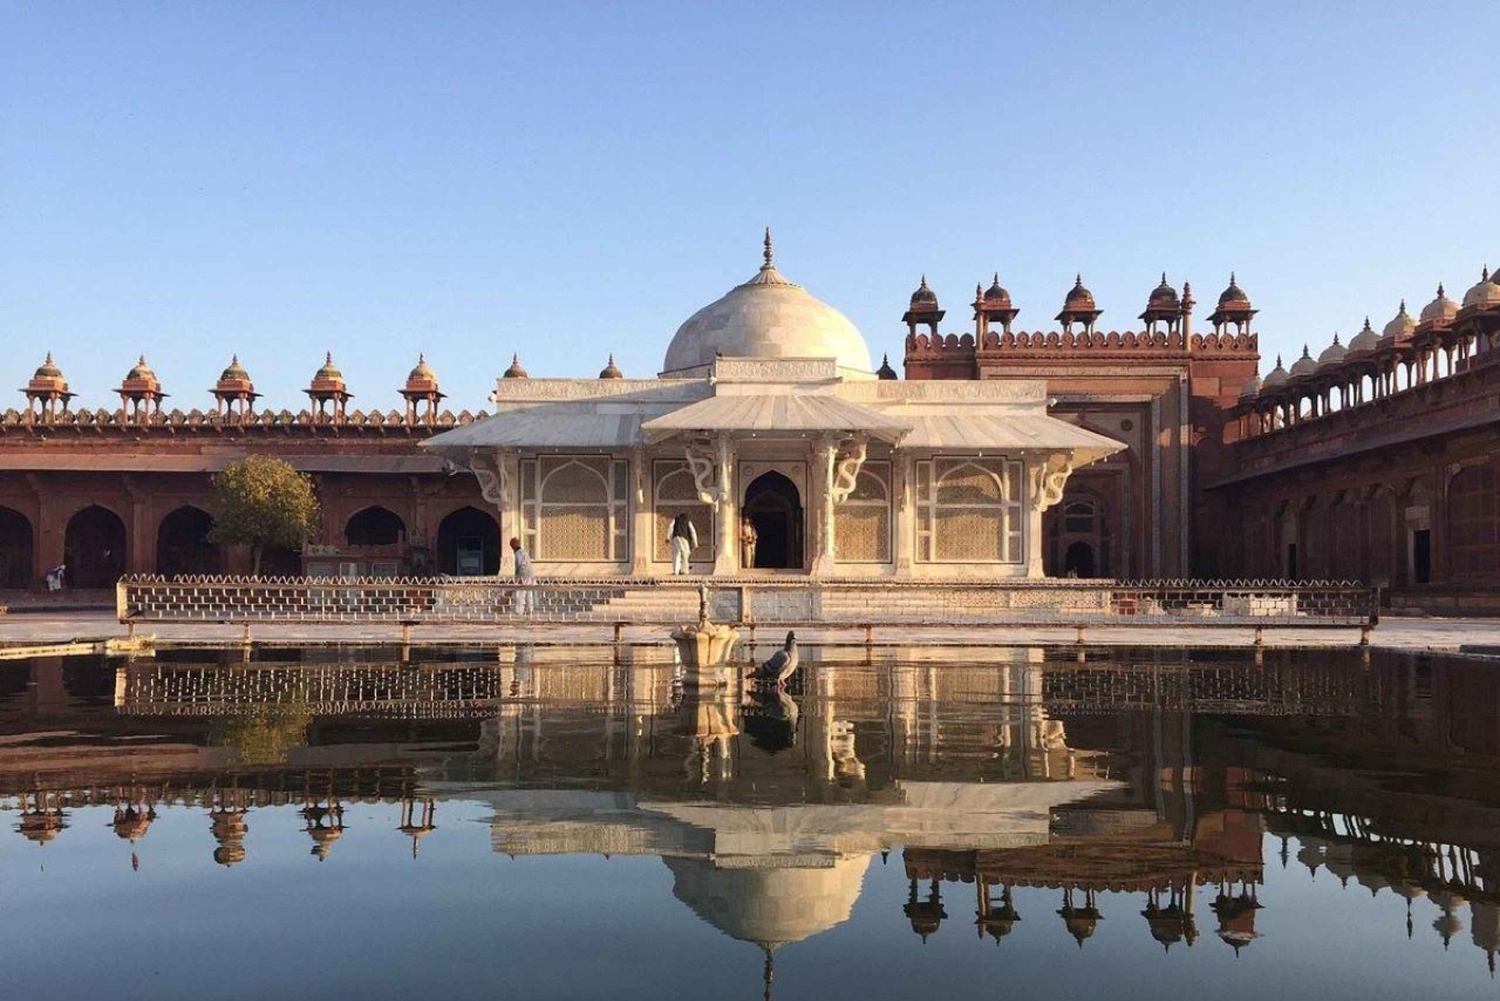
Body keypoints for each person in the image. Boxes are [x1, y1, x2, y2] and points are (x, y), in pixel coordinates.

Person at [509, 537, 536, 615]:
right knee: (528, 593)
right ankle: (530, 610)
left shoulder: (518, 554)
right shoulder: (524, 552)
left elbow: (522, 565)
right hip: (530, 575)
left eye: (511, 546)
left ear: (514, 545)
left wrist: (520, 578)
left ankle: (519, 611)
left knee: (520, 594)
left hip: (524, 575)